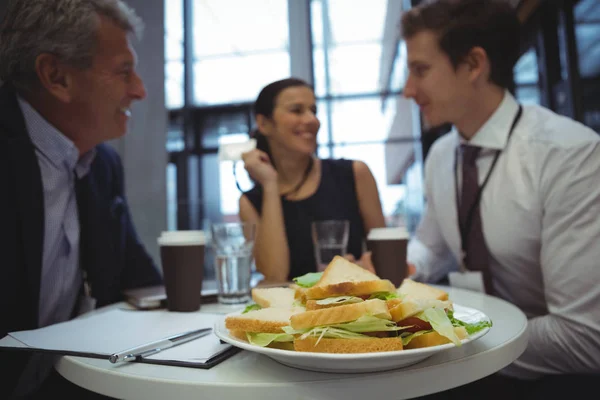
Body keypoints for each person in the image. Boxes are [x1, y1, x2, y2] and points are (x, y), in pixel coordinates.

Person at [398, 0, 600, 398]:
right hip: (472, 369)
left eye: (420, 70)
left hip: (556, 380)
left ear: (474, 65)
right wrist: (409, 263)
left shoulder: (568, 153)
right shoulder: (442, 154)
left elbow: (585, 337)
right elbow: (433, 245)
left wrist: (450, 338)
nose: (408, 90)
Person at [0, 1, 163, 398]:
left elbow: (138, 281)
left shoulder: (102, 164)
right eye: (124, 71)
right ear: (56, 76)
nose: (140, 90)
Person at [238, 78, 386, 282]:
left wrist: (365, 268)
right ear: (264, 123)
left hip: (351, 305)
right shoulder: (251, 202)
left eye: (313, 110)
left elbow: (388, 256)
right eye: (297, 110)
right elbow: (275, 276)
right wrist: (270, 185)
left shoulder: (355, 174)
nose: (312, 120)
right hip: (291, 312)